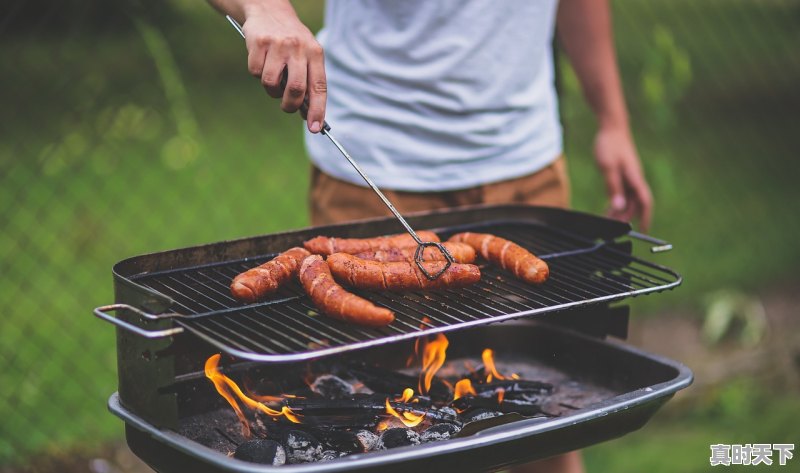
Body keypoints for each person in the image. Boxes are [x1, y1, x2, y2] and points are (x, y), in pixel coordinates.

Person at [209, 1, 653, 471]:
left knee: (540, 424)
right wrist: (263, 8)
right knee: (378, 422)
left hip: (526, 165)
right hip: (373, 171)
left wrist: (613, 120)